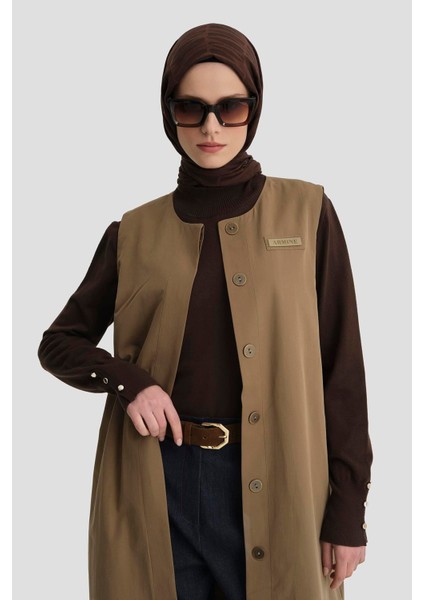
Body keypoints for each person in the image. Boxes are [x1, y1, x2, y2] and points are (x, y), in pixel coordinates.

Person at [37, 22, 373, 600]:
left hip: (284, 484)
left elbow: (342, 370)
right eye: (190, 109)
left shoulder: (308, 212)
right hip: (157, 485)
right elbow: (59, 343)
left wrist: (348, 510)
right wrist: (129, 382)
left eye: (230, 108)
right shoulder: (133, 232)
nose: (211, 128)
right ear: (170, 115)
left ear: (253, 110)